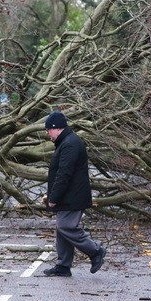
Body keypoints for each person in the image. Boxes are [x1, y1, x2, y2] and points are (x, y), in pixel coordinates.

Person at [41, 110, 107, 277]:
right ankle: (63, 266)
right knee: (61, 229)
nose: (47, 133)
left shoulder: (70, 143)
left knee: (66, 226)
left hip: (72, 196)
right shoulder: (67, 141)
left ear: (56, 128)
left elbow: (64, 173)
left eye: (48, 129)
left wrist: (53, 198)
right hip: (69, 195)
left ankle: (96, 251)